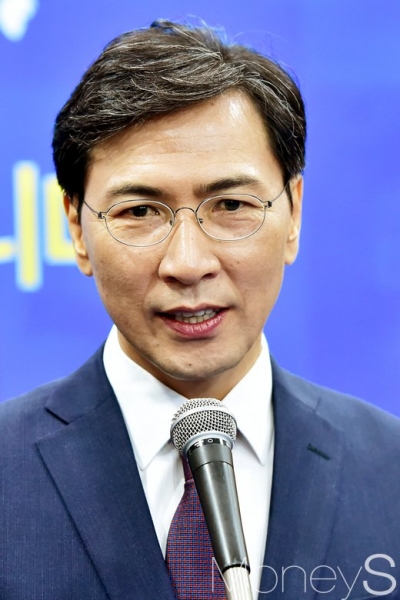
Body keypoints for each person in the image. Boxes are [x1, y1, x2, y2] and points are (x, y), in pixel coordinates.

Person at [1, 19, 400, 600]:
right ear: (77, 230)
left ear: (293, 213)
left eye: (231, 205)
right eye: (139, 212)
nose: (188, 264)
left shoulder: (389, 470)